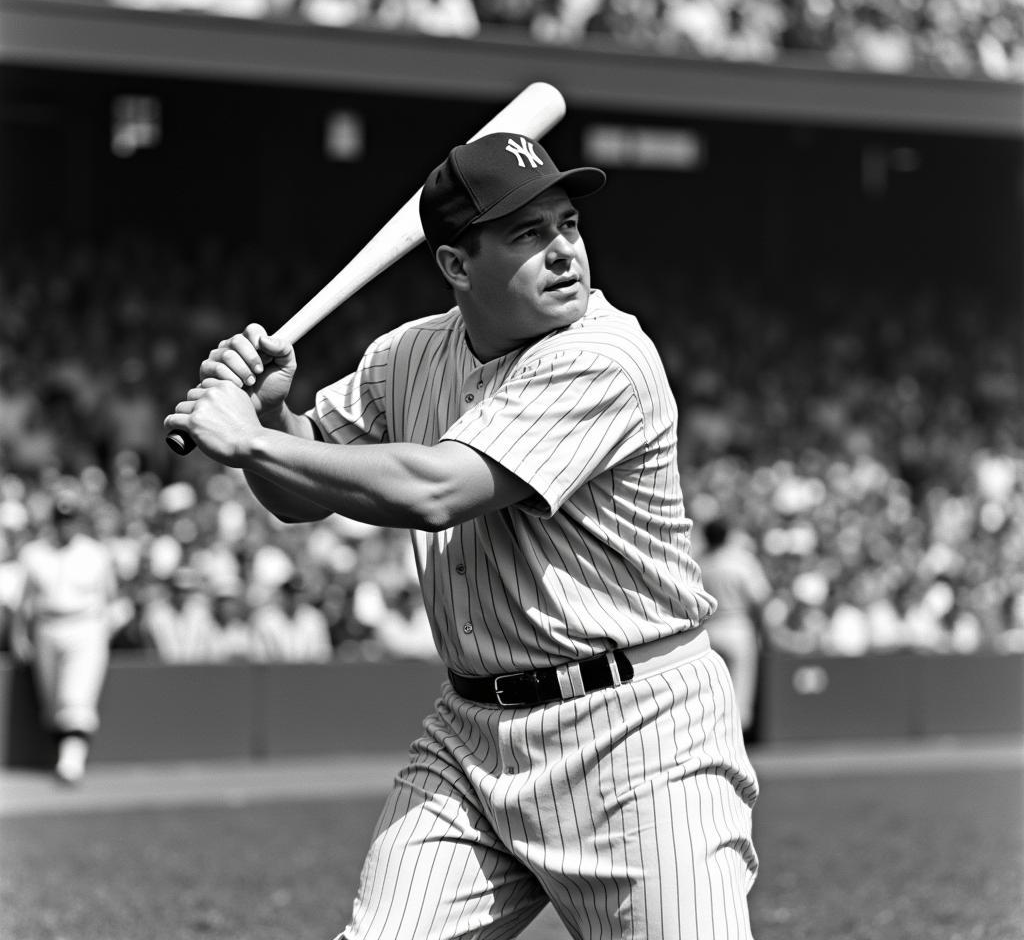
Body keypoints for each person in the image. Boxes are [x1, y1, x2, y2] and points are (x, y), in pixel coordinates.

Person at [166, 132, 760, 939]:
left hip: (638, 735)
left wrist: (253, 440)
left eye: (567, 225)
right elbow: (297, 501)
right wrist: (276, 414)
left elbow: (439, 490)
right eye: (527, 234)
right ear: (454, 265)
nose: (563, 252)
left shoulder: (607, 354)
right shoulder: (406, 355)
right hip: (473, 737)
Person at [12, 491, 118, 784]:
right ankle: (65, 758)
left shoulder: (96, 552)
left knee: (76, 698)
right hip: (47, 626)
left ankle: (70, 764)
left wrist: (104, 632)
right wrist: (19, 634)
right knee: (53, 702)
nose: (65, 526)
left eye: (71, 520)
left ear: (79, 522)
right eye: (61, 520)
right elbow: (24, 600)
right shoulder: (34, 552)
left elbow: (112, 599)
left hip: (86, 626)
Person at [699, 517, 772, 739]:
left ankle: (712, 735)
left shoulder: (699, 561)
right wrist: (763, 632)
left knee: (710, 688)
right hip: (737, 624)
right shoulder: (741, 560)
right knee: (741, 686)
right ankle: (738, 737)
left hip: (707, 628)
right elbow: (760, 599)